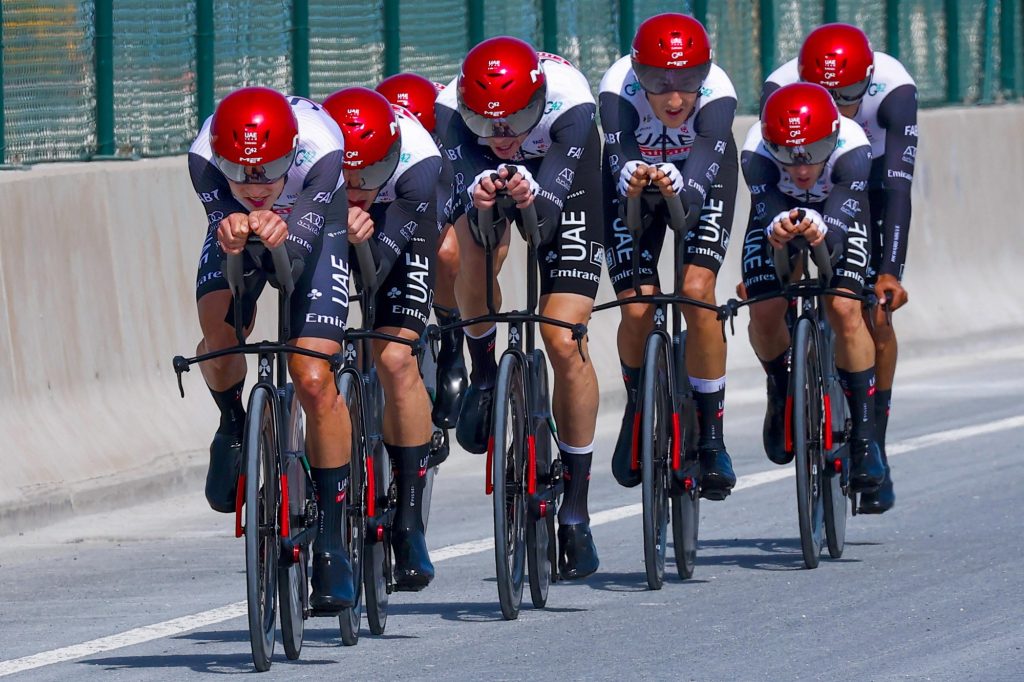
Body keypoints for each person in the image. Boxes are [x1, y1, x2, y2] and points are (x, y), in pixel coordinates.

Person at [436, 37, 604, 579]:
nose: (504, 135)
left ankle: (575, 508)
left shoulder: (570, 104)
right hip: (485, 173)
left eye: (515, 120)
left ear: (536, 103)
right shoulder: (450, 114)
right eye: (489, 123)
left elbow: (550, 208)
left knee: (562, 336)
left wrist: (534, 193)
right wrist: (481, 192)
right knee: (470, 247)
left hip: (563, 178)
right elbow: (465, 184)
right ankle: (485, 376)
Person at [188, 87, 355, 611]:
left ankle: (331, 540)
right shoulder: (202, 161)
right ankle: (233, 423)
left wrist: (280, 234)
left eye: (270, 168)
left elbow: (300, 257)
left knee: (310, 374)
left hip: (315, 223)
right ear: (220, 160)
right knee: (219, 335)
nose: (255, 186)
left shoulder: (323, 150)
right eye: (240, 172)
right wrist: (232, 227)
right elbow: (230, 215)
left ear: (293, 153)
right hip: (237, 231)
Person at [761, 23, 918, 513]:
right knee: (775, 290)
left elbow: (895, 188)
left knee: (872, 312)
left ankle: (873, 438)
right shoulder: (780, 89)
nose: (840, 105)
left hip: (864, 183)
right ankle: (786, 385)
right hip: (799, 178)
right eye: (828, 93)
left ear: (868, 80)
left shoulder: (894, 91)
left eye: (850, 94)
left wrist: (889, 271)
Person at [599, 12, 739, 498]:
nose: (675, 98)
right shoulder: (617, 87)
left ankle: (712, 436)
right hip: (634, 184)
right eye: (658, 83)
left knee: (696, 292)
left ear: (706, 73)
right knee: (637, 306)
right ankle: (638, 406)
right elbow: (616, 158)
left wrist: (683, 183)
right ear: (638, 74)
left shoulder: (719, 92)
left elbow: (700, 182)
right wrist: (632, 177)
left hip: (701, 177)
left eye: (688, 81)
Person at [322, 86, 442, 590]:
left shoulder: (418, 164)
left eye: (370, 176)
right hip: (323, 219)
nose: (359, 186)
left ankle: (408, 523)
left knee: (393, 357)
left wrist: (364, 234)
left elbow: (378, 270)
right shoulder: (313, 155)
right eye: (348, 177)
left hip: (402, 229)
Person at [740, 82, 886, 494]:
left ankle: (863, 435)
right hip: (777, 214)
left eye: (814, 153)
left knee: (843, 308)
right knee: (765, 308)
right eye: (788, 154)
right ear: (771, 145)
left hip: (839, 211)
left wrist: (827, 230)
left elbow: (842, 217)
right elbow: (765, 206)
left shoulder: (854, 148)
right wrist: (777, 227)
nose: (802, 169)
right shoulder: (755, 153)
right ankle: (781, 386)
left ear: (834, 137)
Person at [376, 73, 467, 429]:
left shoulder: (439, 146)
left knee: (445, 249)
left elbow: (441, 202)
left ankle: (452, 336)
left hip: (436, 198)